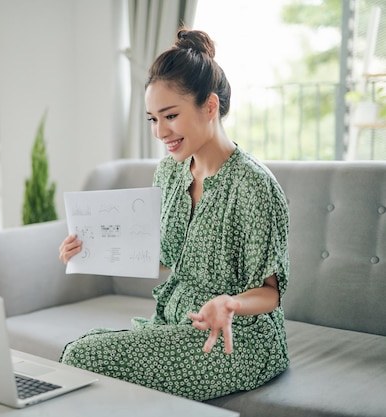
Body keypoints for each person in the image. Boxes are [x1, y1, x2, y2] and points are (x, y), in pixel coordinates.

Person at [57, 28, 290, 401]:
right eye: (152, 119)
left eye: (170, 116)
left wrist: (228, 303)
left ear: (209, 106)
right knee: (82, 349)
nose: (160, 131)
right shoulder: (169, 171)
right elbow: (166, 257)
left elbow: (270, 293)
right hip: (175, 322)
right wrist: (90, 248)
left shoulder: (253, 185)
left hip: (238, 339)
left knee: (82, 357)